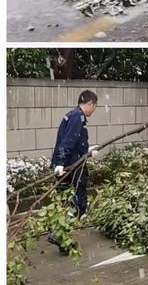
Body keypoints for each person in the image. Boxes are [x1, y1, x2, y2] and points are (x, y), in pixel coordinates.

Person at [48, 90, 99, 253]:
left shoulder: (72, 115)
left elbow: (74, 142)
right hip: (72, 168)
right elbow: (68, 142)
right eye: (95, 107)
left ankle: (63, 240)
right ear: (90, 104)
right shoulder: (78, 117)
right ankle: (58, 234)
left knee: (64, 202)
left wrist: (87, 151)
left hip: (66, 166)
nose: (94, 110)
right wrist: (62, 163)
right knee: (78, 203)